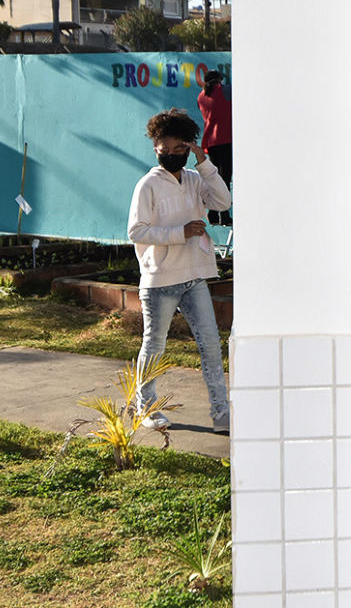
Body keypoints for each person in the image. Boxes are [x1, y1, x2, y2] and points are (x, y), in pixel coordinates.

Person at [127, 108, 232, 434]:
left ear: (189, 148)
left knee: (211, 345)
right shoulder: (148, 185)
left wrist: (204, 161)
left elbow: (222, 202)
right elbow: (136, 231)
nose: (173, 155)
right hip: (160, 279)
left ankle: (221, 413)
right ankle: (146, 407)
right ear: (155, 147)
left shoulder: (196, 179)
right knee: (154, 344)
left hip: (194, 276)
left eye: (180, 150)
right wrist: (180, 232)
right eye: (165, 150)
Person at [196, 69, 232, 226]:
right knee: (225, 178)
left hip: (211, 141)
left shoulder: (201, 96)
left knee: (213, 177)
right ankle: (224, 215)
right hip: (225, 138)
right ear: (219, 80)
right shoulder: (225, 90)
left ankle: (212, 213)